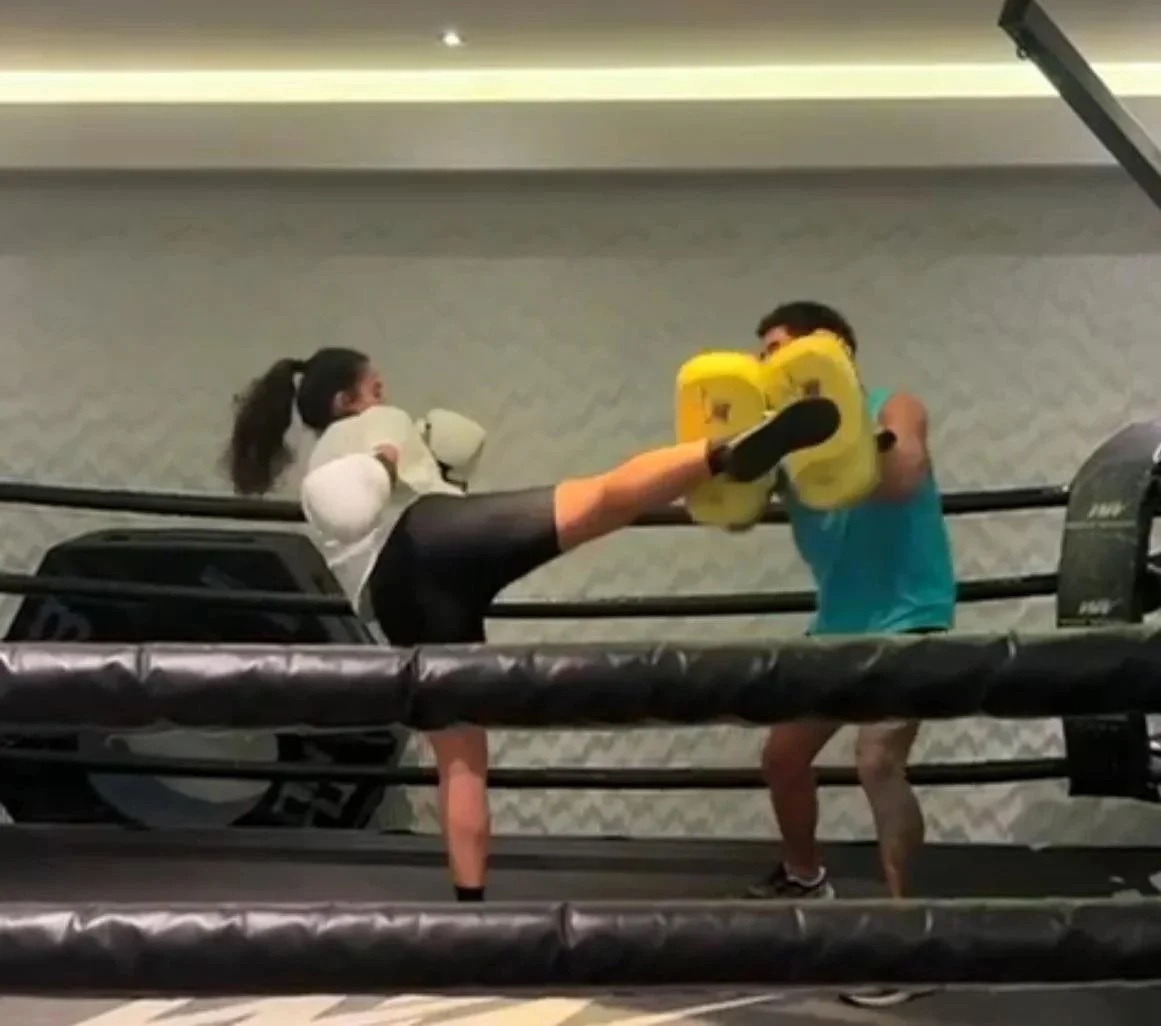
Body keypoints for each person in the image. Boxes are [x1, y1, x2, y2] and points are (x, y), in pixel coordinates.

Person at [225, 346, 839, 903]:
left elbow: (360, 505)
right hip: (430, 539)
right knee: (603, 499)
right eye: (376, 386)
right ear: (347, 400)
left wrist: (424, 467)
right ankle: (724, 453)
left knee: (460, 761)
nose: (384, 397)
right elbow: (377, 469)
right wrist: (389, 459)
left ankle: (472, 907)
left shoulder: (318, 468)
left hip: (400, 599)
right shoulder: (373, 425)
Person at [744, 301, 956, 1009]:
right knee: (781, 756)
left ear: (828, 349)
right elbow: (726, 514)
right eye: (763, 353)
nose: (769, 362)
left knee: (876, 761)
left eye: (781, 348)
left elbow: (901, 477)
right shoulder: (780, 441)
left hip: (909, 620)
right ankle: (804, 875)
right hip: (838, 626)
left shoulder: (892, 404)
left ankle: (906, 945)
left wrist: (842, 434)